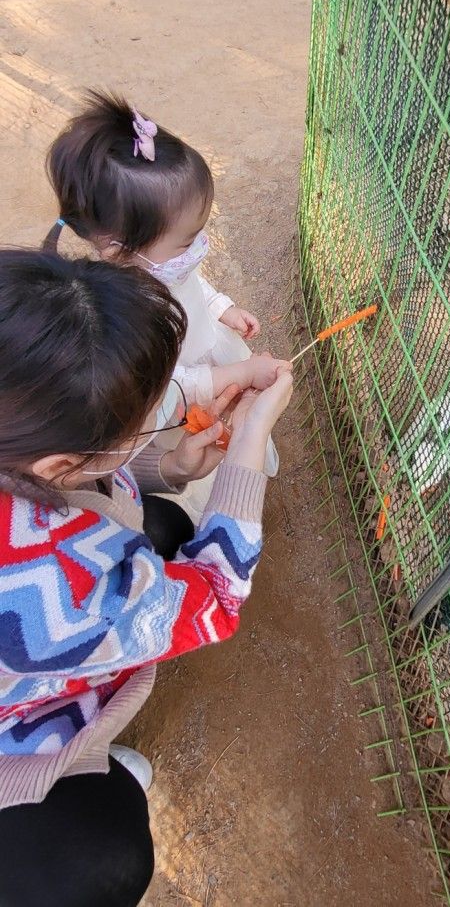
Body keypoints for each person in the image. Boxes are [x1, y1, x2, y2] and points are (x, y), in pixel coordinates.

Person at [0, 249, 292, 907]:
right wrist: (245, 452)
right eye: (139, 423)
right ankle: (64, 779)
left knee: (154, 521)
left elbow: (73, 487)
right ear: (62, 460)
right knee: (106, 857)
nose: (150, 422)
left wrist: (173, 462)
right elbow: (215, 598)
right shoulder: (66, 583)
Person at [43, 89, 286, 517]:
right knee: (206, 438)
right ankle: (219, 495)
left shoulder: (161, 265)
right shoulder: (122, 318)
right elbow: (170, 386)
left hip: (207, 356)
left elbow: (193, 282)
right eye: (187, 242)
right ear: (119, 249)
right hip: (179, 392)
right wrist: (243, 371)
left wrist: (221, 308)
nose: (198, 249)